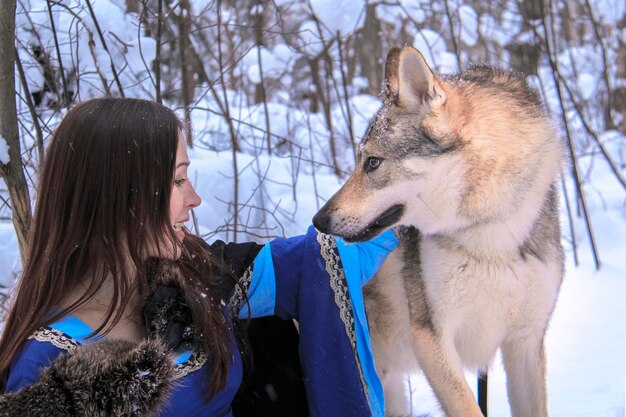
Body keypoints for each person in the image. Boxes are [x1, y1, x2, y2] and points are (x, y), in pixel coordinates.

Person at [0, 98, 399, 417]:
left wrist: (408, 210)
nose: (194, 198)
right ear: (122, 197)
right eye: (177, 180)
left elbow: (309, 261)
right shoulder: (46, 372)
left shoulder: (184, 279)